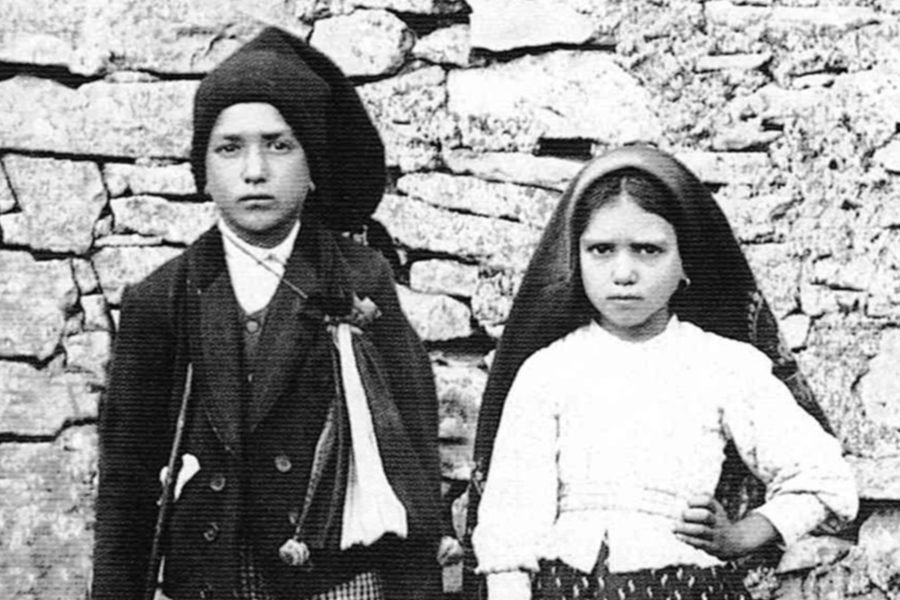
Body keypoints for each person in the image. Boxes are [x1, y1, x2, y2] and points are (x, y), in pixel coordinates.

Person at [93, 27, 452, 600]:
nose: (254, 170)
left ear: (313, 166)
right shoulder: (163, 300)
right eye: (229, 148)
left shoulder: (359, 280)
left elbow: (408, 447)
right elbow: (127, 482)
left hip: (338, 581)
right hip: (213, 583)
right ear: (202, 169)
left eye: (279, 145)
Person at [466, 145, 858, 600]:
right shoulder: (549, 371)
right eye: (601, 250)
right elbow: (511, 523)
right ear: (576, 258)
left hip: (686, 587)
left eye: (648, 250)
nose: (624, 272)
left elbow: (824, 478)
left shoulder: (723, 366)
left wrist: (743, 535)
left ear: (686, 262)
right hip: (564, 586)